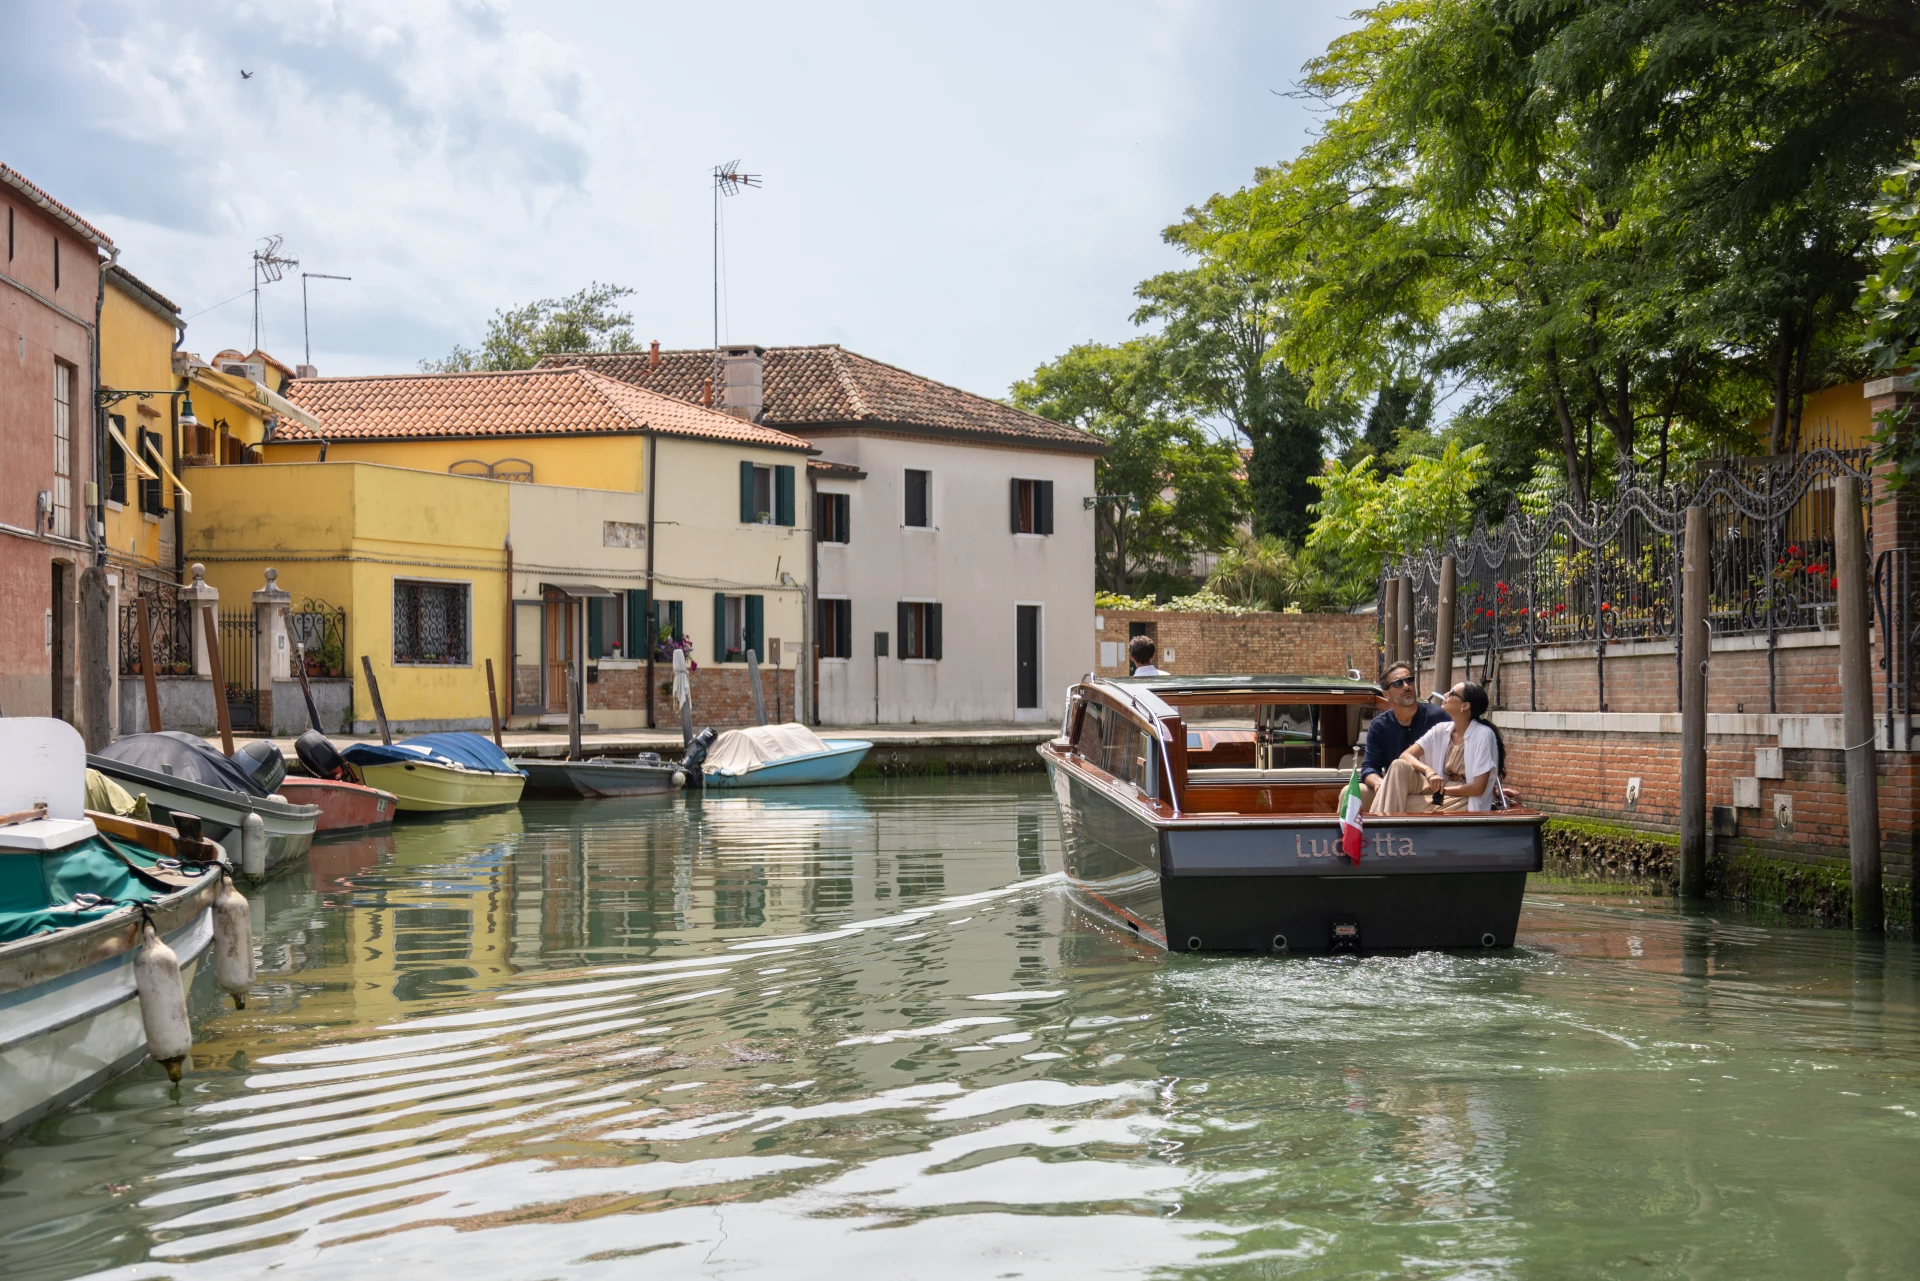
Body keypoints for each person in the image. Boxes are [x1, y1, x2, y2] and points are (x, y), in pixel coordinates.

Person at [1368, 680, 1507, 814]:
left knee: (1395, 800)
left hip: (1465, 796)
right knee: (1399, 765)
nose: (1445, 694)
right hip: (1439, 786)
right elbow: (1405, 755)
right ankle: (1382, 823)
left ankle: (1376, 826)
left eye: (1452, 693)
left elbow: (1477, 788)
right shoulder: (1441, 729)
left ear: (1465, 706)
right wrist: (1429, 771)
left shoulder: (1483, 734)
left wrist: (1441, 790)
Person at [1358, 661, 1446, 806]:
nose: (1406, 686)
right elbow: (1369, 767)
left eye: (1409, 680)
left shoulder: (1440, 717)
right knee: (1351, 793)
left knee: (1399, 766)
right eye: (1398, 683)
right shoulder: (1379, 726)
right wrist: (1379, 783)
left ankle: (1386, 819)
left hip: (1431, 787)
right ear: (1386, 694)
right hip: (1394, 787)